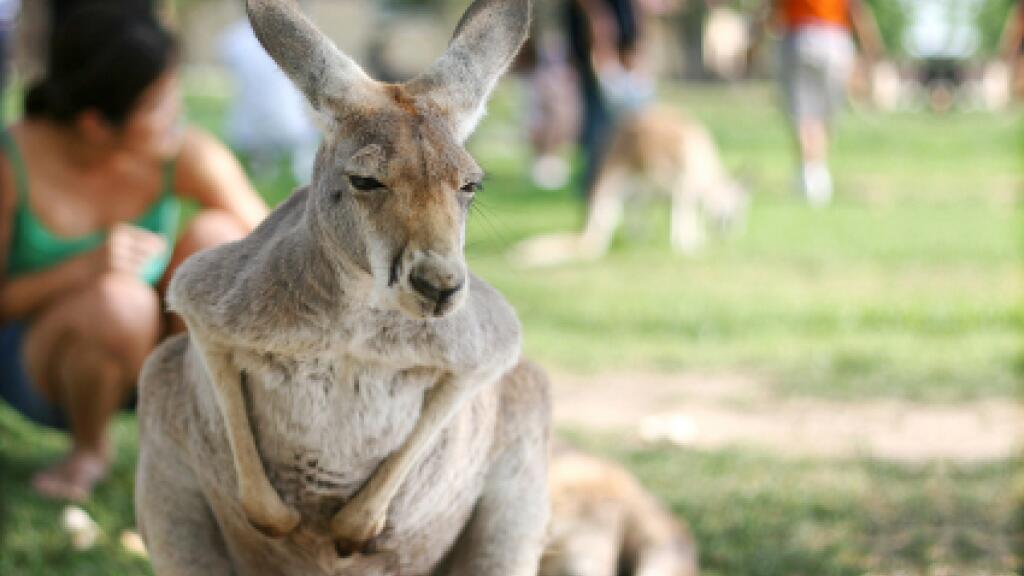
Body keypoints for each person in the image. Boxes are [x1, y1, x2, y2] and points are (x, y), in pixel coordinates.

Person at [0, 6, 268, 501]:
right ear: (95, 124)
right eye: (156, 105)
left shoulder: (182, 153)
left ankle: (198, 438)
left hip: (155, 355)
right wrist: (84, 268)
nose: (176, 114)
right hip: (45, 368)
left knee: (220, 239)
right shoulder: (12, 162)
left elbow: (280, 248)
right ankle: (88, 449)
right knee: (120, 301)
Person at [753, 0, 883, 206]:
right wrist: (871, 47)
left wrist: (755, 43)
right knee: (824, 116)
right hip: (834, 40)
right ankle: (817, 175)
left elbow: (771, 10)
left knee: (802, 115)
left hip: (797, 38)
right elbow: (856, 10)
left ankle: (808, 174)